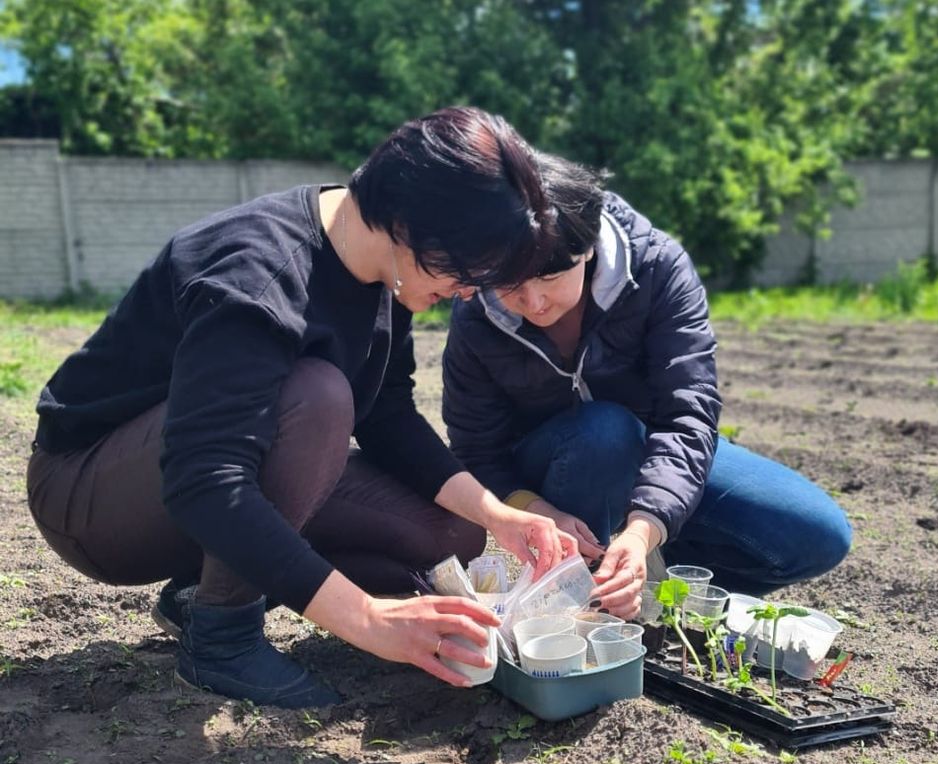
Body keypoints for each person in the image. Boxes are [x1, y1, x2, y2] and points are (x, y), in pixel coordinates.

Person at [26, 107, 579, 709]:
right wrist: (368, 620)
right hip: (94, 496)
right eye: (468, 270)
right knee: (315, 396)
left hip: (211, 471)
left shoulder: (387, 267)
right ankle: (222, 635)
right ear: (406, 224)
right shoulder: (259, 278)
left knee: (452, 536)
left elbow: (388, 415)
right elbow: (204, 480)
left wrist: (499, 515)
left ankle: (197, 589)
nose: (470, 290)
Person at [442, 153, 852, 622]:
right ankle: (563, 598)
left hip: (652, 452)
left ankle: (647, 577)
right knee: (604, 432)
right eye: (510, 285)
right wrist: (534, 509)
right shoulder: (478, 313)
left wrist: (642, 531)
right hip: (550, 469)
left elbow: (687, 413)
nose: (532, 302)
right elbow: (477, 448)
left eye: (551, 277)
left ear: (588, 248)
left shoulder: (657, 268)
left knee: (817, 534)